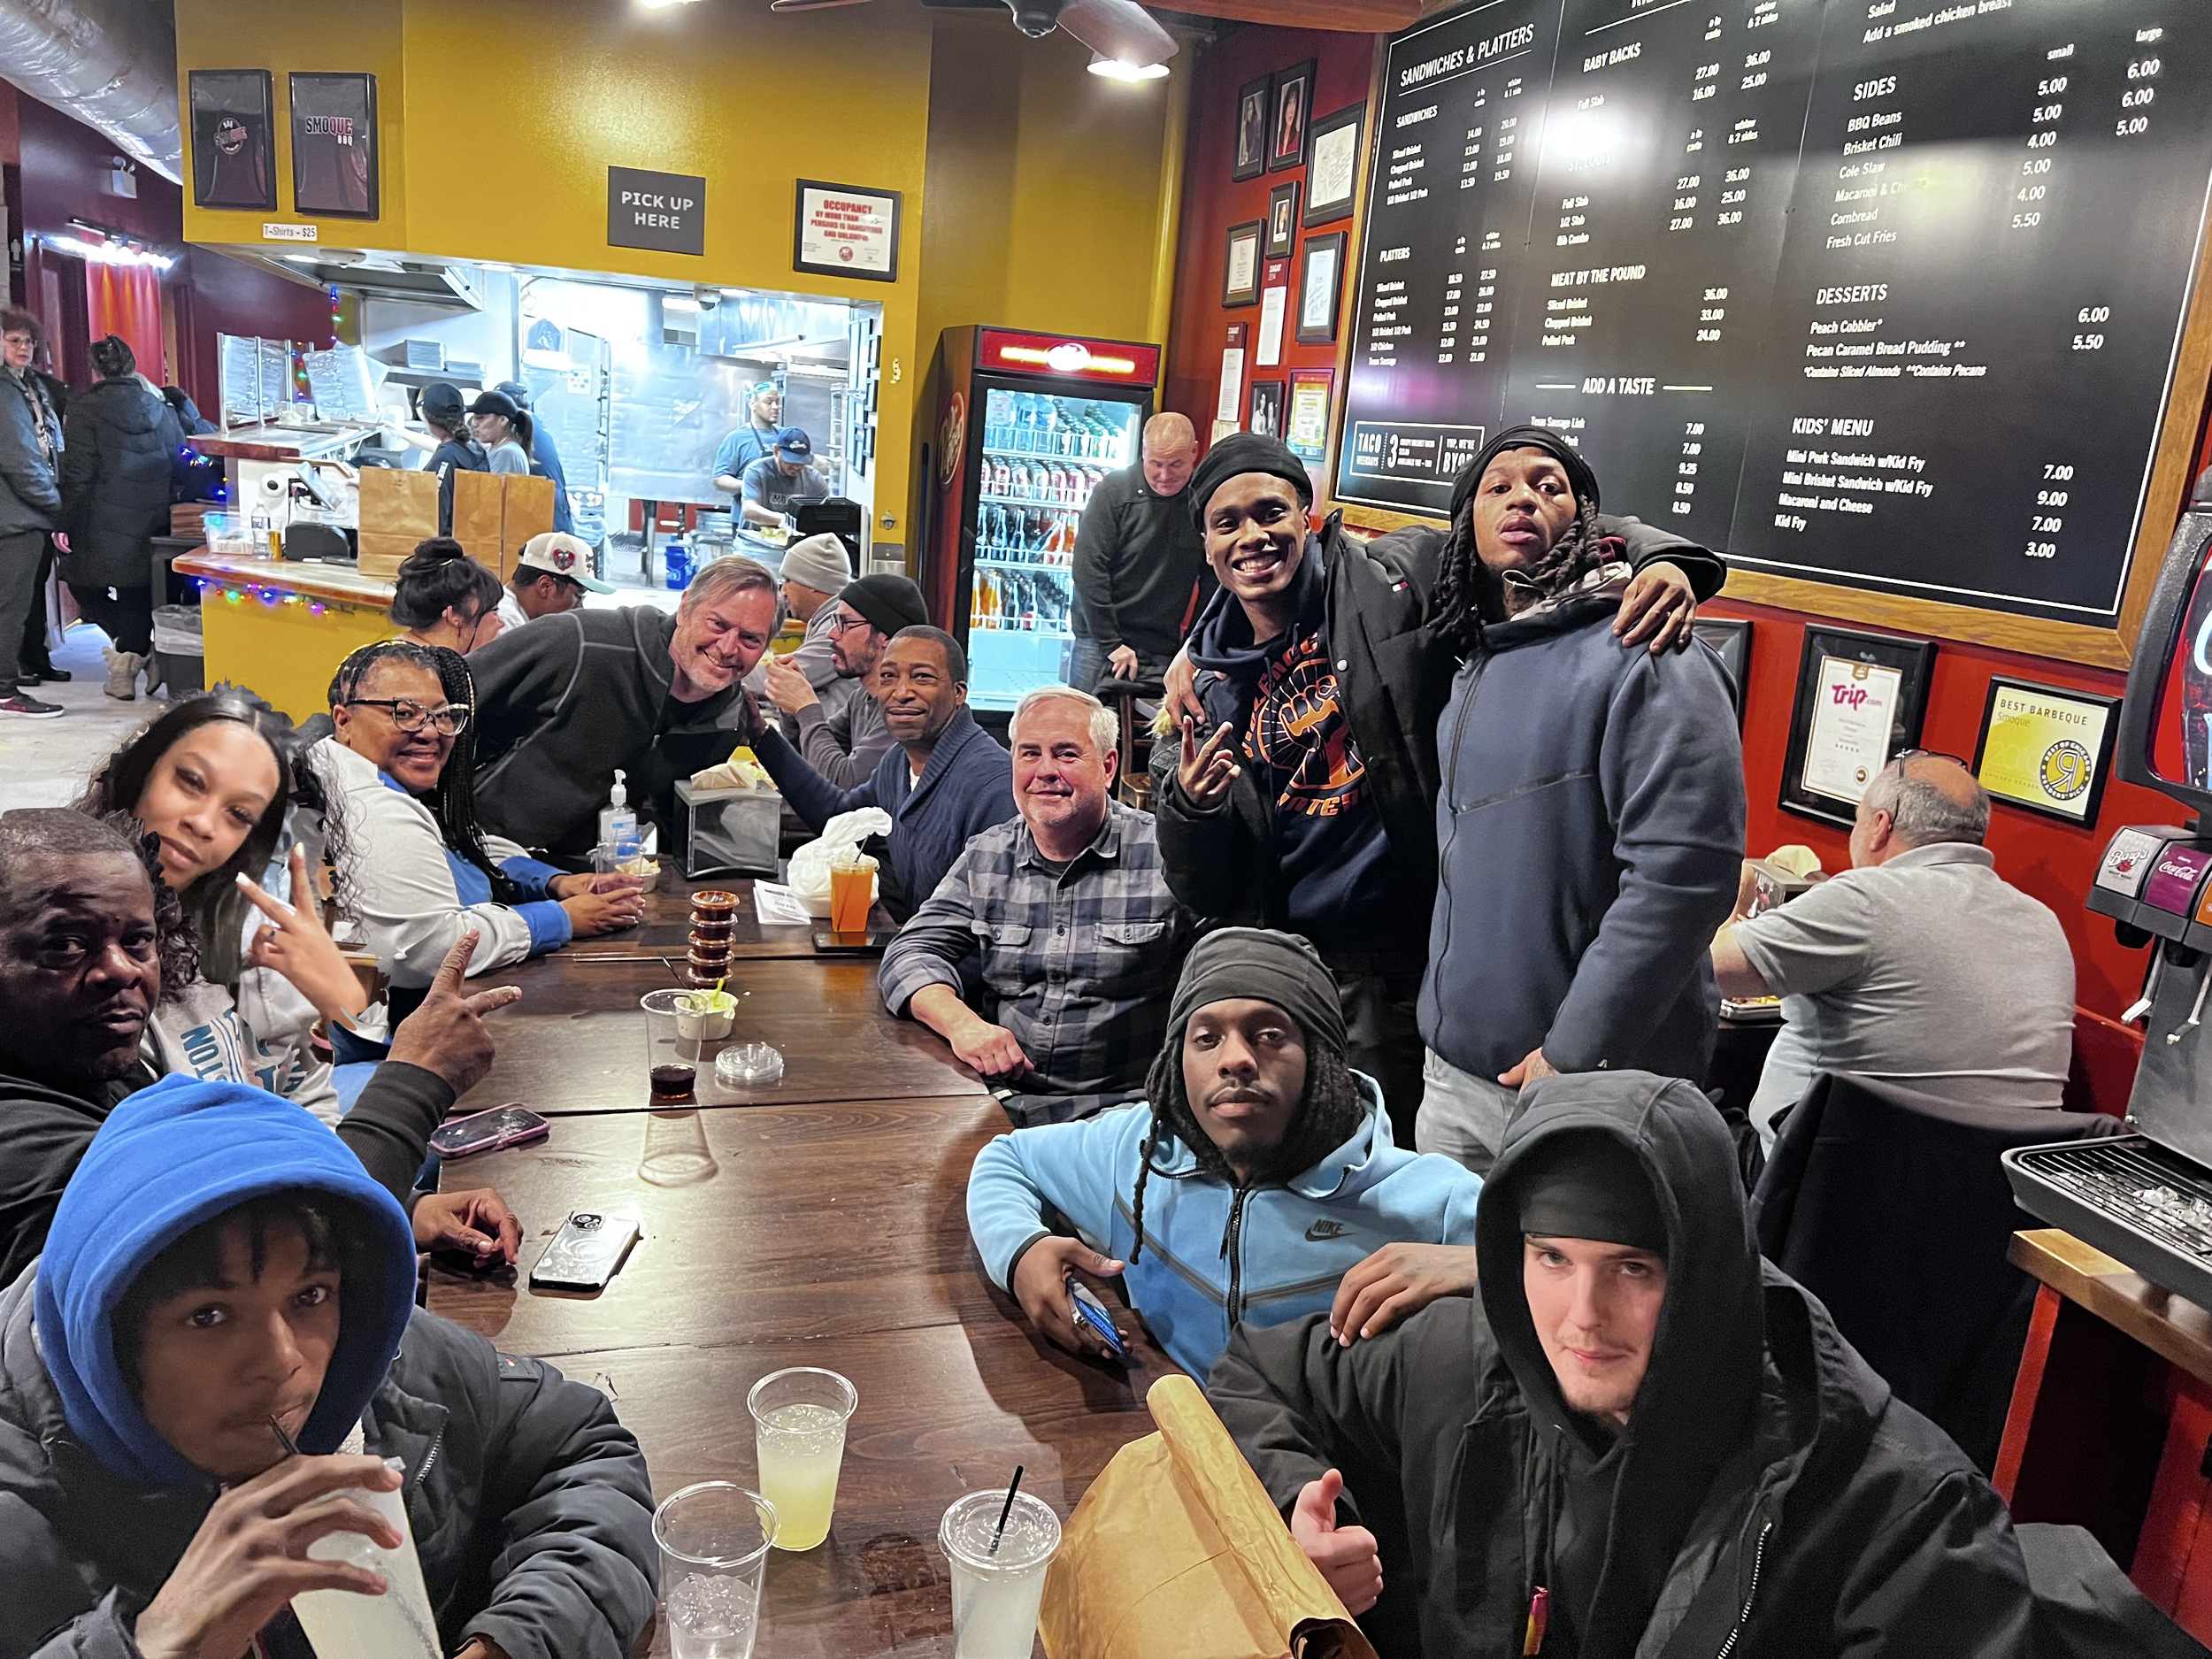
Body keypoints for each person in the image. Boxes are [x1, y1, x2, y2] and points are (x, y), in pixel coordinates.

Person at [1208, 1070, 2116, 1659]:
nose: (1583, 1318)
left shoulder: (1896, 1513)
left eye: (1633, 1270)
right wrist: (1300, 1519)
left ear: (1711, 1271)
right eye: (1551, 1259)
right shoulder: (1474, 1360)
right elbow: (1251, 1376)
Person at [1154, 432, 1718, 1142]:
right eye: (1227, 523)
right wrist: (1192, 807)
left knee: (1386, 1176)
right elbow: (1199, 886)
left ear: (1308, 515)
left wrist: (1665, 560)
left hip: (1403, 961)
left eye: (1271, 512)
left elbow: (1530, 522)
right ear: (1205, 544)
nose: (1253, 536)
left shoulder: (1395, 578)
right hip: (1285, 963)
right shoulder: (1198, 687)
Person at [0, 1072, 657, 1659]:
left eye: (309, 1294)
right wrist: (152, 1644)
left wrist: (516, 1639)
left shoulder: (371, 1366)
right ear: (105, 1332)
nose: (284, 1359)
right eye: (209, 1314)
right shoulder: (21, 1509)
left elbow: (582, 1449)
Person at [0, 808, 526, 1286]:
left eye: (138, 941)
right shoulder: (22, 1149)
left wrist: (410, 1212)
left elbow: (222, 1180)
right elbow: (278, 1266)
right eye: (65, 945)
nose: (121, 970)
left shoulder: (87, 1055)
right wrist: (415, 1081)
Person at [1414, 430, 1744, 1175]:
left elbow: (1683, 878)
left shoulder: (1653, 645)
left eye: (1548, 485)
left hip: (1584, 1088)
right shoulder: (1474, 657)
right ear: (1466, 523)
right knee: (1455, 1292)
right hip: (1452, 1079)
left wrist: (1573, 1054)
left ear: (1589, 522)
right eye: (1497, 487)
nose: (1523, 497)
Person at [967, 926, 1483, 1378]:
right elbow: (1007, 1160)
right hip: (1169, 1433)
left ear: (1322, 1061)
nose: (1235, 1059)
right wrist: (1021, 1251)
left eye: (1269, 1036)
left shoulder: (1430, 1199)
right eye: (1207, 1039)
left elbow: (1553, 1274)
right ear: (1177, 1063)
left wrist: (1483, 1270)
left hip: (1327, 1470)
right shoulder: (1136, 1150)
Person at [1713, 753, 2076, 1152]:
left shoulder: (1864, 899)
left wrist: (1737, 898)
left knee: (1668, 1106)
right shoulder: (2044, 922)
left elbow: (1700, 967)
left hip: (1822, 1187)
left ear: (1879, 827)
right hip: (1989, 1196)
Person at [882, 684, 1187, 1124]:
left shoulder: (1165, 854)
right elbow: (912, 950)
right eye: (1029, 754)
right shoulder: (989, 854)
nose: (1045, 771)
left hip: (1122, 1118)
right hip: (998, 1104)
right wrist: (962, 1025)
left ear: (1107, 767)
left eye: (1066, 754)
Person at [311, 641, 644, 1031]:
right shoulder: (369, 808)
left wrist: (553, 882)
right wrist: (558, 920)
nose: (430, 731)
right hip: (366, 1041)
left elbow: (455, 849)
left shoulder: (350, 771)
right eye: (405, 714)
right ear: (344, 720)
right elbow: (429, 951)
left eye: (443, 715)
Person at [77, 695, 368, 1121]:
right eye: (191, 782)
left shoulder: (254, 928)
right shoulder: (68, 939)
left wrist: (295, 1012)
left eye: (238, 814)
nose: (204, 823)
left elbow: (310, 1101)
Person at [469, 554, 781, 856]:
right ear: (685, 607)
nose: (728, 648)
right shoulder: (583, 643)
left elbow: (674, 813)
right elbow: (452, 690)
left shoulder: (724, 720)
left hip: (584, 878)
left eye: (750, 639)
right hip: (477, 851)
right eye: (717, 624)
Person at [748, 625, 1015, 921]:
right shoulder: (898, 762)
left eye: (922, 677)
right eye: (888, 677)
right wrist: (760, 733)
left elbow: (992, 921)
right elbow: (839, 818)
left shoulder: (992, 784)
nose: (901, 692)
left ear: (958, 693)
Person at [58, 335, 186, 703]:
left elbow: (78, 472)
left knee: (82, 586)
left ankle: (124, 672)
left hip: (99, 515)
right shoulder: (158, 405)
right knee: (134, 592)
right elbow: (178, 458)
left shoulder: (83, 409)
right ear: (132, 366)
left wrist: (63, 520)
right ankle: (136, 656)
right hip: (152, 515)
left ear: (96, 370)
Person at [1069, 411, 1212, 691]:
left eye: (1176, 464)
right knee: (1081, 728)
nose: (1165, 475)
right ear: (1143, 452)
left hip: (1163, 643)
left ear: (1194, 451)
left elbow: (1213, 581)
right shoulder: (1113, 492)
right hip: (1099, 639)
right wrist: (1111, 642)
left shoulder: (1202, 501)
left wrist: (1193, 646)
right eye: (1156, 463)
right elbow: (1088, 570)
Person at [757, 569, 921, 790]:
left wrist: (806, 706)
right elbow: (810, 758)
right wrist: (791, 709)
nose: (832, 633)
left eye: (845, 622)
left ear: (885, 638)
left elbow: (844, 784)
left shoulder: (905, 709)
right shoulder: (862, 698)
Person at [0, 306, 65, 718]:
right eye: (14, 340)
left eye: (29, 341)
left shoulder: (26, 386)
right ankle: (6, 689)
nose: (25, 348)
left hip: (22, 515)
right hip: (16, 519)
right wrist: (58, 507)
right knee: (11, 607)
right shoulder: (6, 392)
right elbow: (22, 459)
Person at [743, 531, 857, 743]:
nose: (783, 591)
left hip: (836, 743)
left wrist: (726, 666)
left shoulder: (838, 625)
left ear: (814, 583)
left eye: (788, 580)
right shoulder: (829, 619)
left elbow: (780, 679)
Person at [388, 538, 505, 652]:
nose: (500, 623)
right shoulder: (419, 668)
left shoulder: (405, 657)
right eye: (494, 611)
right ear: (455, 615)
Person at [493, 379, 573, 534]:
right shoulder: (532, 421)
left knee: (550, 551)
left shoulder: (517, 427)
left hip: (545, 498)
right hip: (553, 494)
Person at [496, 529, 616, 632]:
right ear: (546, 586)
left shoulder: (505, 608)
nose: (580, 608)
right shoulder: (507, 626)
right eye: (578, 596)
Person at [417, 380, 486, 537]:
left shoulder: (445, 458)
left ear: (428, 419)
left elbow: (434, 517)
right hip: (468, 543)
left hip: (449, 549)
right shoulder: (473, 446)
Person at [714, 380, 797, 495]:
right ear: (752, 404)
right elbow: (719, 480)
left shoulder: (786, 436)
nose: (775, 407)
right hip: (749, 510)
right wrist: (753, 485)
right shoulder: (736, 438)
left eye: (777, 402)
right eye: (769, 402)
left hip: (781, 510)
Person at [740, 432, 830, 530]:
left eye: (801, 462)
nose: (796, 467)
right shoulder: (757, 471)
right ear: (776, 450)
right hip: (758, 539)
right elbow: (749, 511)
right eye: (790, 461)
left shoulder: (814, 478)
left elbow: (825, 513)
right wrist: (784, 520)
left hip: (799, 540)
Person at [465, 388, 533, 476]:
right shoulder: (497, 449)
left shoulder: (506, 453)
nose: (474, 424)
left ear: (503, 420)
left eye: (480, 417)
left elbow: (492, 489)